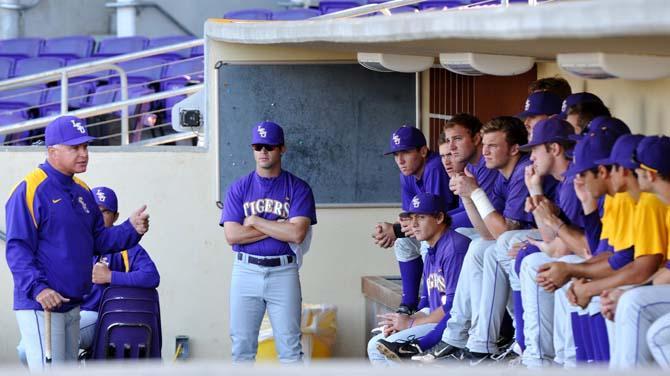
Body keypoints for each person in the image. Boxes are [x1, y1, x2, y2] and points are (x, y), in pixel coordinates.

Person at [5, 115, 150, 371]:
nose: (83, 153)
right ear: (52, 151)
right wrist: (39, 288)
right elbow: (18, 249)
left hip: (73, 304)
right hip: (42, 305)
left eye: (85, 146)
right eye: (75, 148)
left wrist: (131, 229)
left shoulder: (82, 190)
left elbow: (99, 240)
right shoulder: (30, 188)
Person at [221, 121, 317, 363]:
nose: (263, 151)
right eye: (258, 146)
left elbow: (297, 234)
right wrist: (278, 226)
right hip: (245, 270)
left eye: (270, 146)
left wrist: (253, 220)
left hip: (283, 271)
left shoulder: (298, 187)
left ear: (282, 149)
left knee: (290, 350)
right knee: (241, 349)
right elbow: (232, 236)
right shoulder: (239, 188)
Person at [367, 193, 470, 364]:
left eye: (421, 217)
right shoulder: (432, 247)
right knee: (376, 345)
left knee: (391, 350)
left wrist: (410, 324)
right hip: (437, 320)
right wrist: (400, 323)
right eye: (412, 217)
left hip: (454, 328)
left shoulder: (454, 248)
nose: (413, 224)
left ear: (439, 217)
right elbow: (431, 303)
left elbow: (453, 308)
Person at [597, 136, 670, 369]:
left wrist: (631, 291)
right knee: (621, 298)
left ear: (649, 174)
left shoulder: (653, 204)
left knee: (634, 303)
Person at [372, 125, 456, 315]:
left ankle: (427, 302)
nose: (400, 160)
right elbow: (411, 216)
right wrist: (394, 230)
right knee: (403, 242)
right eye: (396, 154)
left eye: (406, 152)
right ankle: (409, 302)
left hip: (454, 229)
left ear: (423, 151)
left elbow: (433, 219)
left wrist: (395, 229)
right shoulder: (406, 175)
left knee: (426, 242)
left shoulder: (434, 167)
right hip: (435, 228)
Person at [79, 186, 160, 351]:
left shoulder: (126, 246)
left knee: (49, 344)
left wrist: (110, 276)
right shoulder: (76, 243)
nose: (99, 217)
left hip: (102, 317)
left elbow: (151, 276)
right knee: (32, 349)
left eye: (105, 211)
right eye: (94, 211)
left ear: (115, 216)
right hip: (73, 313)